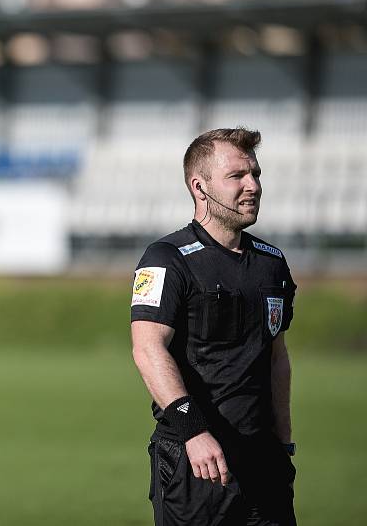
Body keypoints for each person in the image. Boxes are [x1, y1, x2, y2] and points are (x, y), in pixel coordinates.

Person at [130, 128, 297, 525]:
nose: (252, 186)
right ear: (199, 187)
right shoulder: (167, 258)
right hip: (196, 462)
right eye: (237, 176)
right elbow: (148, 349)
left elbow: (277, 358)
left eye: (255, 174)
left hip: (264, 462)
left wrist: (284, 444)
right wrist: (194, 432)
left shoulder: (272, 263)